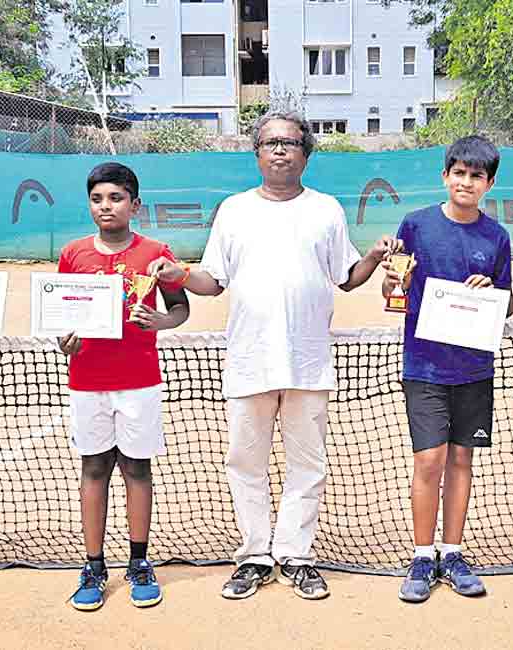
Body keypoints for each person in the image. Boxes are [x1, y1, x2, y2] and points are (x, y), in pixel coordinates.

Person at [152, 110, 392, 601]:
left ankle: (297, 554)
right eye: (270, 143)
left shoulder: (326, 210)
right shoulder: (234, 211)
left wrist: (372, 257)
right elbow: (211, 281)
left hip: (307, 362)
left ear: (306, 152)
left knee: (308, 464)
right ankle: (256, 554)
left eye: (290, 142)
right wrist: (177, 274)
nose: (280, 150)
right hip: (248, 360)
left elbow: (346, 276)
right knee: (245, 461)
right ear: (256, 153)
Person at [383, 135, 513, 603]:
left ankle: (452, 552)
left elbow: (508, 302)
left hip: (475, 368)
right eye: (458, 173)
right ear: (445, 176)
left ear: (489, 184)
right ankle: (422, 555)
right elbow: (391, 295)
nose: (466, 182)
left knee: (462, 459)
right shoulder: (415, 226)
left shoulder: (497, 237)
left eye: (476, 176)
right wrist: (397, 279)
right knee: (429, 460)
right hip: (424, 366)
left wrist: (490, 292)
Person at [59, 162, 190, 611]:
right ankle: (93, 566)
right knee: (94, 469)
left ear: (134, 205)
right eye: (97, 199)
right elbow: (63, 321)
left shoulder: (156, 252)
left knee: (137, 470)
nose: (105, 207)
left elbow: (179, 309)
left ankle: (138, 561)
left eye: (115, 198)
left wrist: (160, 320)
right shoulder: (73, 254)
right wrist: (66, 341)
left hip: (139, 381)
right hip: (88, 380)